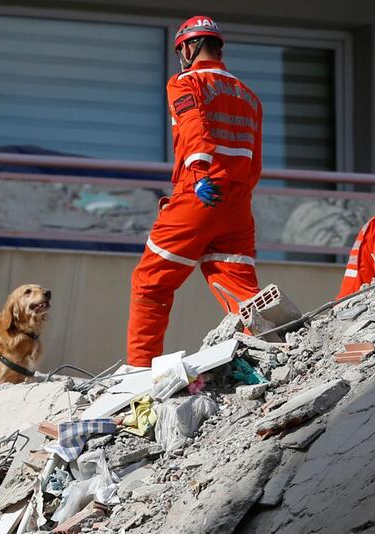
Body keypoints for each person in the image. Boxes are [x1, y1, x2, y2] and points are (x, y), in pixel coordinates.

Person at [125, 16, 264, 367]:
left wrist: (200, 173)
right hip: (237, 202)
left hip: (200, 192)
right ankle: (269, 352)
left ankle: (138, 370)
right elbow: (255, 159)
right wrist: (239, 194)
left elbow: (193, 126)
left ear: (188, 47)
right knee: (241, 289)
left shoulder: (185, 82)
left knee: (150, 282)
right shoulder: (249, 96)